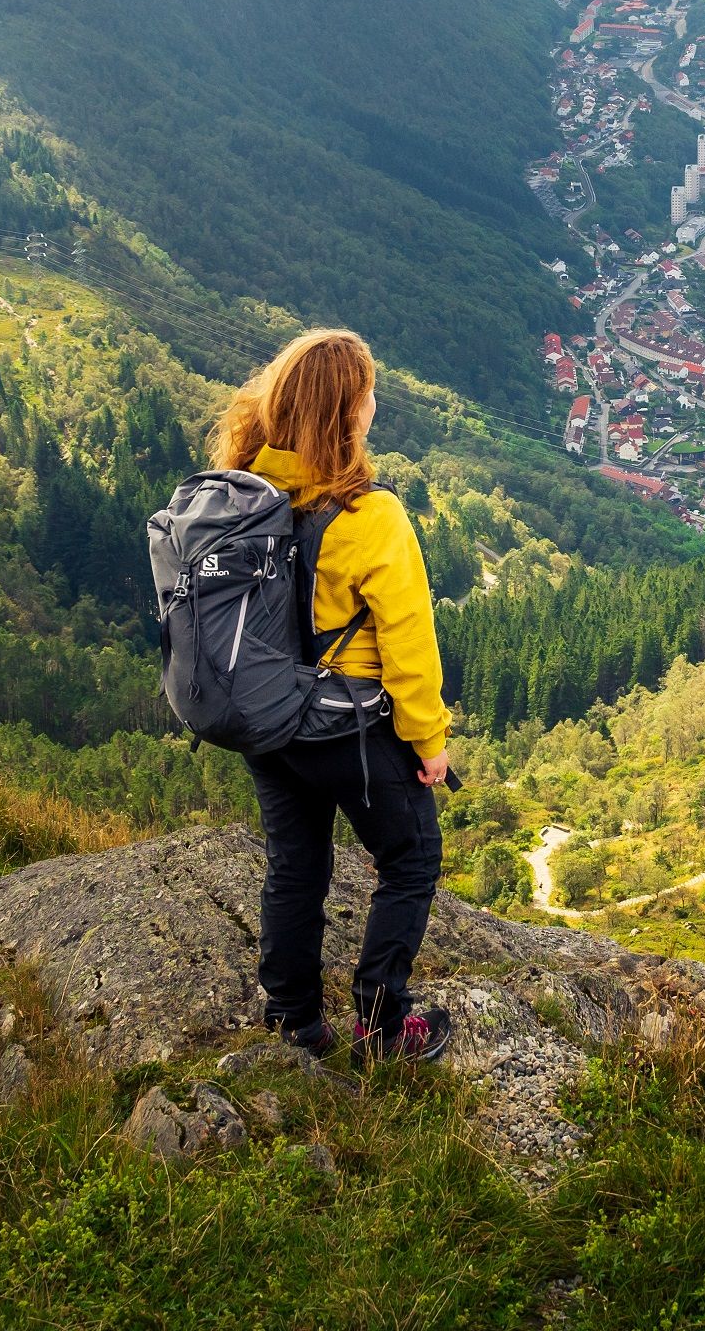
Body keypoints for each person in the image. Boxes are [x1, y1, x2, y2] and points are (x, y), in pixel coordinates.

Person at [206, 327, 455, 1064]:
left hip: (266, 718)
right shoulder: (369, 516)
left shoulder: (241, 490)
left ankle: (294, 1021)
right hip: (347, 729)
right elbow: (408, 644)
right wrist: (428, 741)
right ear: (347, 412)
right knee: (411, 859)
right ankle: (382, 1029)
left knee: (297, 862)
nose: (375, 401)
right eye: (368, 392)